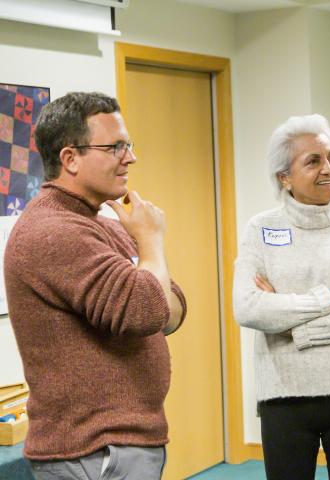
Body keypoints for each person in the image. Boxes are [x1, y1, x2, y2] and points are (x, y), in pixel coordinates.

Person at [5, 92, 187, 480]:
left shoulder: (100, 224)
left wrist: (152, 288)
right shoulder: (53, 232)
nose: (130, 157)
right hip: (94, 452)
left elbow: (172, 310)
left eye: (129, 145)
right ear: (70, 158)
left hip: (117, 445)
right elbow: (148, 308)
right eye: (115, 147)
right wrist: (151, 241)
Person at [233, 114, 330, 480]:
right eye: (314, 160)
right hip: (284, 395)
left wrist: (294, 329)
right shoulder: (261, 228)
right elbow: (248, 306)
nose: (329, 170)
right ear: (284, 177)